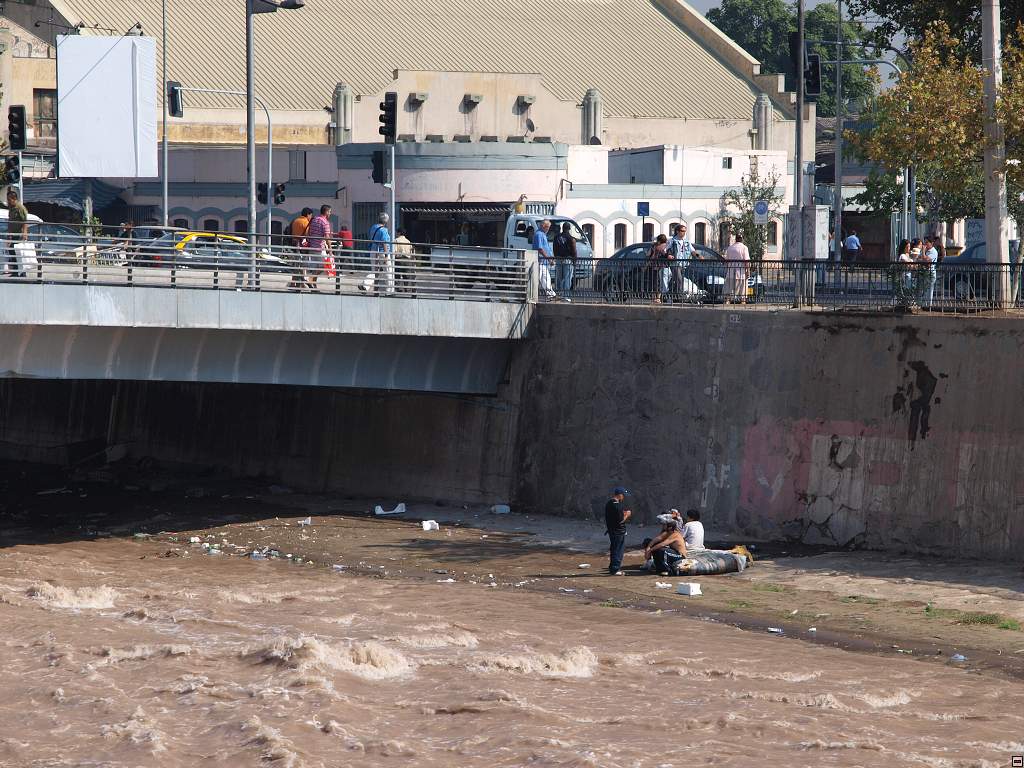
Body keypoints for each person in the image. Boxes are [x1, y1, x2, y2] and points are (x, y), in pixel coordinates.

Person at [305, 205, 334, 291]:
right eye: (329, 212)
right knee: (323, 266)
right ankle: (310, 280)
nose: (330, 214)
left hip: (312, 247)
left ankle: (314, 285)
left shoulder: (314, 219)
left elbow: (309, 232)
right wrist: (330, 249)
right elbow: (327, 237)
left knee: (316, 267)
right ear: (326, 212)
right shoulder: (325, 222)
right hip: (319, 248)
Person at [604, 486, 632, 575]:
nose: (624, 497)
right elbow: (620, 520)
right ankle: (615, 569)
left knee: (614, 549)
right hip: (618, 531)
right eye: (623, 495)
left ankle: (612, 567)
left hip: (612, 530)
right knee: (618, 550)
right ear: (620, 495)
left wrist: (622, 514)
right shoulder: (617, 505)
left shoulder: (609, 503)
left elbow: (614, 517)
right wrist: (627, 515)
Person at [665, 223, 694, 302]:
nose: (684, 233)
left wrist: (699, 256)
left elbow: (692, 251)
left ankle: (670, 295)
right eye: (682, 231)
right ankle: (679, 297)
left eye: (685, 231)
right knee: (679, 280)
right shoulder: (672, 241)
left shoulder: (687, 241)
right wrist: (668, 255)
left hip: (684, 264)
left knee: (676, 281)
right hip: (674, 263)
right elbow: (665, 250)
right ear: (677, 231)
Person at [4, 188, 29, 277]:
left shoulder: (20, 208)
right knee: (12, 252)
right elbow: (10, 223)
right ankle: (15, 271)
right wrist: (9, 235)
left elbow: (25, 221)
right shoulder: (11, 209)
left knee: (19, 253)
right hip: (13, 234)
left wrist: (25, 233)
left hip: (19, 235)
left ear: (14, 199)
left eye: (9, 199)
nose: (8, 201)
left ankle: (22, 272)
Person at [287, 207, 313, 290]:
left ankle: (293, 283)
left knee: (297, 264)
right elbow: (308, 235)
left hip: (294, 245)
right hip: (303, 246)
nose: (311, 217)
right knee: (302, 265)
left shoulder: (295, 220)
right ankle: (303, 282)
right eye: (311, 215)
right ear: (308, 214)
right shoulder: (306, 222)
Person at [369, 212, 393, 294]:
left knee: (374, 271)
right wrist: (386, 256)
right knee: (388, 272)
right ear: (386, 221)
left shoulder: (373, 227)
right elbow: (384, 243)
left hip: (373, 251)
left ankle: (365, 285)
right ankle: (389, 291)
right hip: (382, 252)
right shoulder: (384, 230)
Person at [532, 219, 556, 300]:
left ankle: (551, 294)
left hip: (543, 261)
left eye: (549, 227)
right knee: (538, 278)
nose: (548, 229)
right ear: (542, 226)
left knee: (546, 278)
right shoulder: (539, 234)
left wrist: (550, 257)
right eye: (547, 227)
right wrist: (549, 259)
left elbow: (546, 248)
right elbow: (540, 249)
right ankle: (532, 295)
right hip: (540, 261)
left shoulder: (543, 234)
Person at [552, 221, 577, 300]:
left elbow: (554, 248)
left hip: (559, 259)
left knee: (559, 278)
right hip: (568, 260)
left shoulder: (556, 237)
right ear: (569, 229)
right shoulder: (571, 238)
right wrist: (574, 261)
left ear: (562, 228)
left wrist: (556, 257)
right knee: (567, 278)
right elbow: (574, 251)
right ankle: (566, 296)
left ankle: (558, 294)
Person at [724, 233, 750, 304]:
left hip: (730, 272)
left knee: (729, 289)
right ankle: (742, 302)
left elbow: (727, 261)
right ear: (742, 239)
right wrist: (748, 271)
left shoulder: (730, 248)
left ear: (736, 239)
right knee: (743, 290)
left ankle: (727, 301)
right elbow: (746, 261)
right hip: (741, 272)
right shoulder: (744, 248)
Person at [647, 234, 668, 304]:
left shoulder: (654, 246)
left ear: (659, 240)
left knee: (654, 282)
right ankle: (658, 298)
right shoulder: (666, 246)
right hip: (662, 266)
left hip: (654, 266)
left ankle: (655, 298)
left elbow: (648, 255)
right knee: (659, 283)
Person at [393, 228, 415, 293]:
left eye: (397, 232)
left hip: (399, 259)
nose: (396, 234)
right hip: (407, 260)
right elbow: (411, 252)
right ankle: (406, 288)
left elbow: (395, 251)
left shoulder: (396, 240)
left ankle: (398, 288)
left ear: (399, 233)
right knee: (406, 275)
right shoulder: (408, 241)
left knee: (397, 274)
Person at [921, 235, 939, 306]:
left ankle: (929, 304)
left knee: (930, 289)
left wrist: (923, 252)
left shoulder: (933, 251)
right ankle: (925, 304)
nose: (925, 244)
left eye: (927, 243)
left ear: (931, 243)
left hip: (931, 272)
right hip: (926, 272)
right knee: (925, 289)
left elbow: (926, 260)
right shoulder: (927, 251)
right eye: (924, 242)